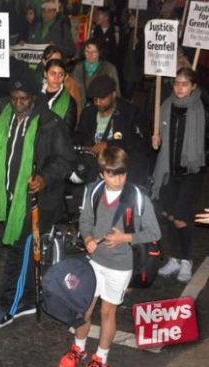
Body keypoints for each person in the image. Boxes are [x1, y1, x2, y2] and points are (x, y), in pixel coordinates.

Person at [0, 67, 76, 328]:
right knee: (17, 252)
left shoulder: (50, 123)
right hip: (11, 197)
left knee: (20, 255)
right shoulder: (3, 117)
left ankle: (11, 305)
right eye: (14, 98)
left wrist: (44, 177)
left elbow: (67, 160)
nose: (18, 104)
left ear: (34, 97)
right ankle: (30, 299)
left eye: (24, 98)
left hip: (37, 202)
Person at [60, 146, 160, 367]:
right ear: (102, 173)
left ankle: (101, 358)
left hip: (120, 265)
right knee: (84, 308)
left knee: (107, 312)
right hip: (95, 262)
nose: (118, 180)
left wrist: (125, 237)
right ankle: (78, 348)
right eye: (112, 174)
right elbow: (85, 221)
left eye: (122, 174)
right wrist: (87, 239)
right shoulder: (93, 191)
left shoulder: (137, 196)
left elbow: (154, 232)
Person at [151, 68, 209, 283]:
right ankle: (174, 258)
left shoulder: (202, 108)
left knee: (181, 219)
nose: (179, 87)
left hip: (191, 171)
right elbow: (159, 134)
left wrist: (200, 158)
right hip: (168, 169)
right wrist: (156, 140)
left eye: (185, 84)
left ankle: (186, 260)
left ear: (193, 86)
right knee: (168, 215)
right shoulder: (166, 106)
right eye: (177, 83)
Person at [75, 75, 149, 185]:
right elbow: (80, 136)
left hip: (122, 174)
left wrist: (109, 145)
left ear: (113, 95)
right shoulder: (88, 113)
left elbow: (140, 144)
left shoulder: (130, 113)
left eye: (102, 98)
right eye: (95, 99)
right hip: (95, 173)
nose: (98, 102)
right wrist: (89, 148)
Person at [71, 39, 120, 104]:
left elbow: (116, 93)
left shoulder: (109, 69)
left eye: (94, 52)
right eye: (87, 51)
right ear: (83, 52)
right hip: (81, 107)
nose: (90, 55)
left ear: (99, 52)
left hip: (101, 107)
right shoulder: (78, 68)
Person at [41, 59, 77, 135]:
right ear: (45, 74)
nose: (56, 78)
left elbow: (67, 132)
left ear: (64, 77)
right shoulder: (35, 95)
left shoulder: (70, 102)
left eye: (60, 75)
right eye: (53, 73)